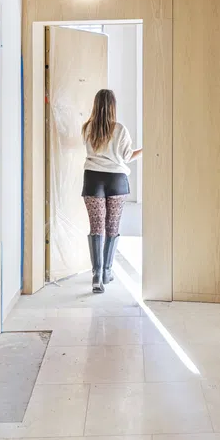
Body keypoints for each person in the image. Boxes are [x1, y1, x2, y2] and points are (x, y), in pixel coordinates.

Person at [81, 89, 142, 293]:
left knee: (96, 227)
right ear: (113, 106)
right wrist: (145, 149)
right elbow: (127, 157)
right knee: (112, 226)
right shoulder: (120, 129)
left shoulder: (87, 128)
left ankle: (96, 275)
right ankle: (107, 272)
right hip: (116, 180)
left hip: (92, 179)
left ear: (96, 105)